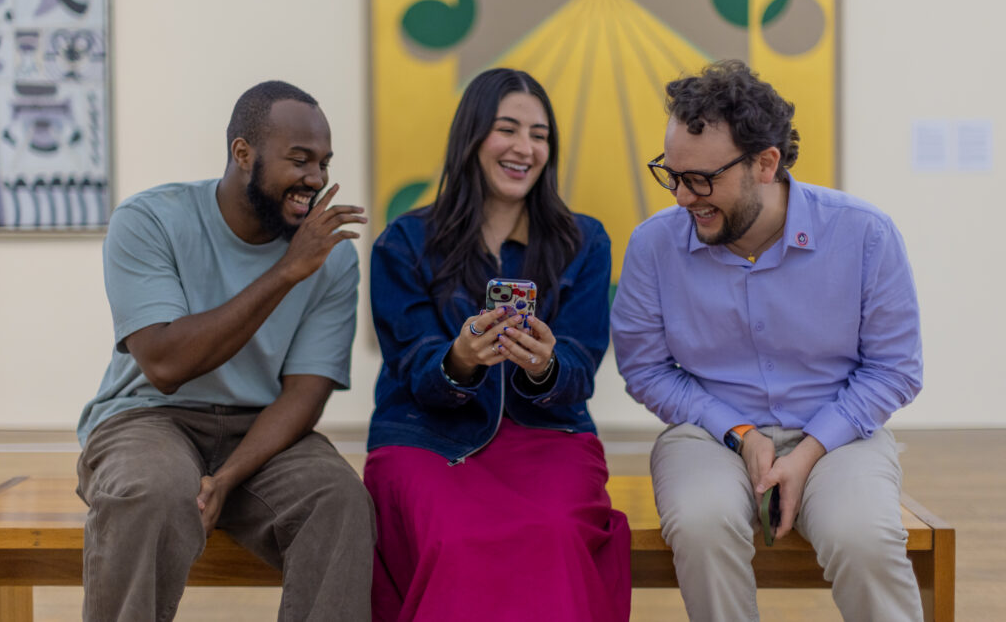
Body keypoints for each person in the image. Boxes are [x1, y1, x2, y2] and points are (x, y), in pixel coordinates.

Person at [611, 60, 924, 621]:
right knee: (702, 525)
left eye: (702, 179)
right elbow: (646, 370)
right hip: (708, 433)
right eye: (673, 175)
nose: (683, 198)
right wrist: (741, 433)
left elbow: (895, 369)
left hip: (839, 435)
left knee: (864, 539)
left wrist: (809, 450)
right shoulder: (654, 246)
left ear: (765, 163)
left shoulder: (865, 234)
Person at [76, 81, 376, 621]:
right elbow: (166, 365)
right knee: (150, 491)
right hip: (148, 418)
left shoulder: (330, 258)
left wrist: (229, 477)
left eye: (325, 163)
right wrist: (286, 272)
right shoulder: (150, 221)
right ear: (243, 153)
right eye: (300, 160)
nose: (316, 178)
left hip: (263, 431)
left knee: (340, 501)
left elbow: (305, 393)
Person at [365, 68, 631, 622]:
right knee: (455, 540)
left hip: (547, 437)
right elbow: (412, 362)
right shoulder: (404, 243)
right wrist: (459, 362)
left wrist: (545, 367)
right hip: (430, 441)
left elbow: (582, 364)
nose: (524, 148)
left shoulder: (584, 241)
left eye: (540, 135)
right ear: (472, 137)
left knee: (557, 531)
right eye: (507, 129)